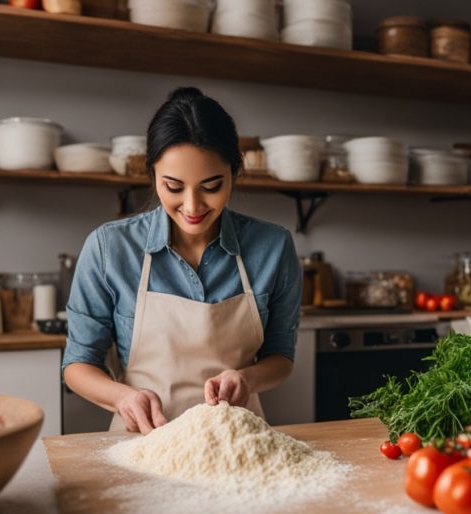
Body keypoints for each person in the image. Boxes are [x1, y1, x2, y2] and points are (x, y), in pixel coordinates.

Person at [63, 87, 301, 434]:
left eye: (211, 186)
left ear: (235, 173)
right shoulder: (109, 248)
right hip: (142, 442)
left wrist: (248, 379)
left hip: (238, 442)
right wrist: (122, 398)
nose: (192, 206)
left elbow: (281, 358)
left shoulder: (273, 247)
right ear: (152, 174)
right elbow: (78, 364)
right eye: (173, 187)